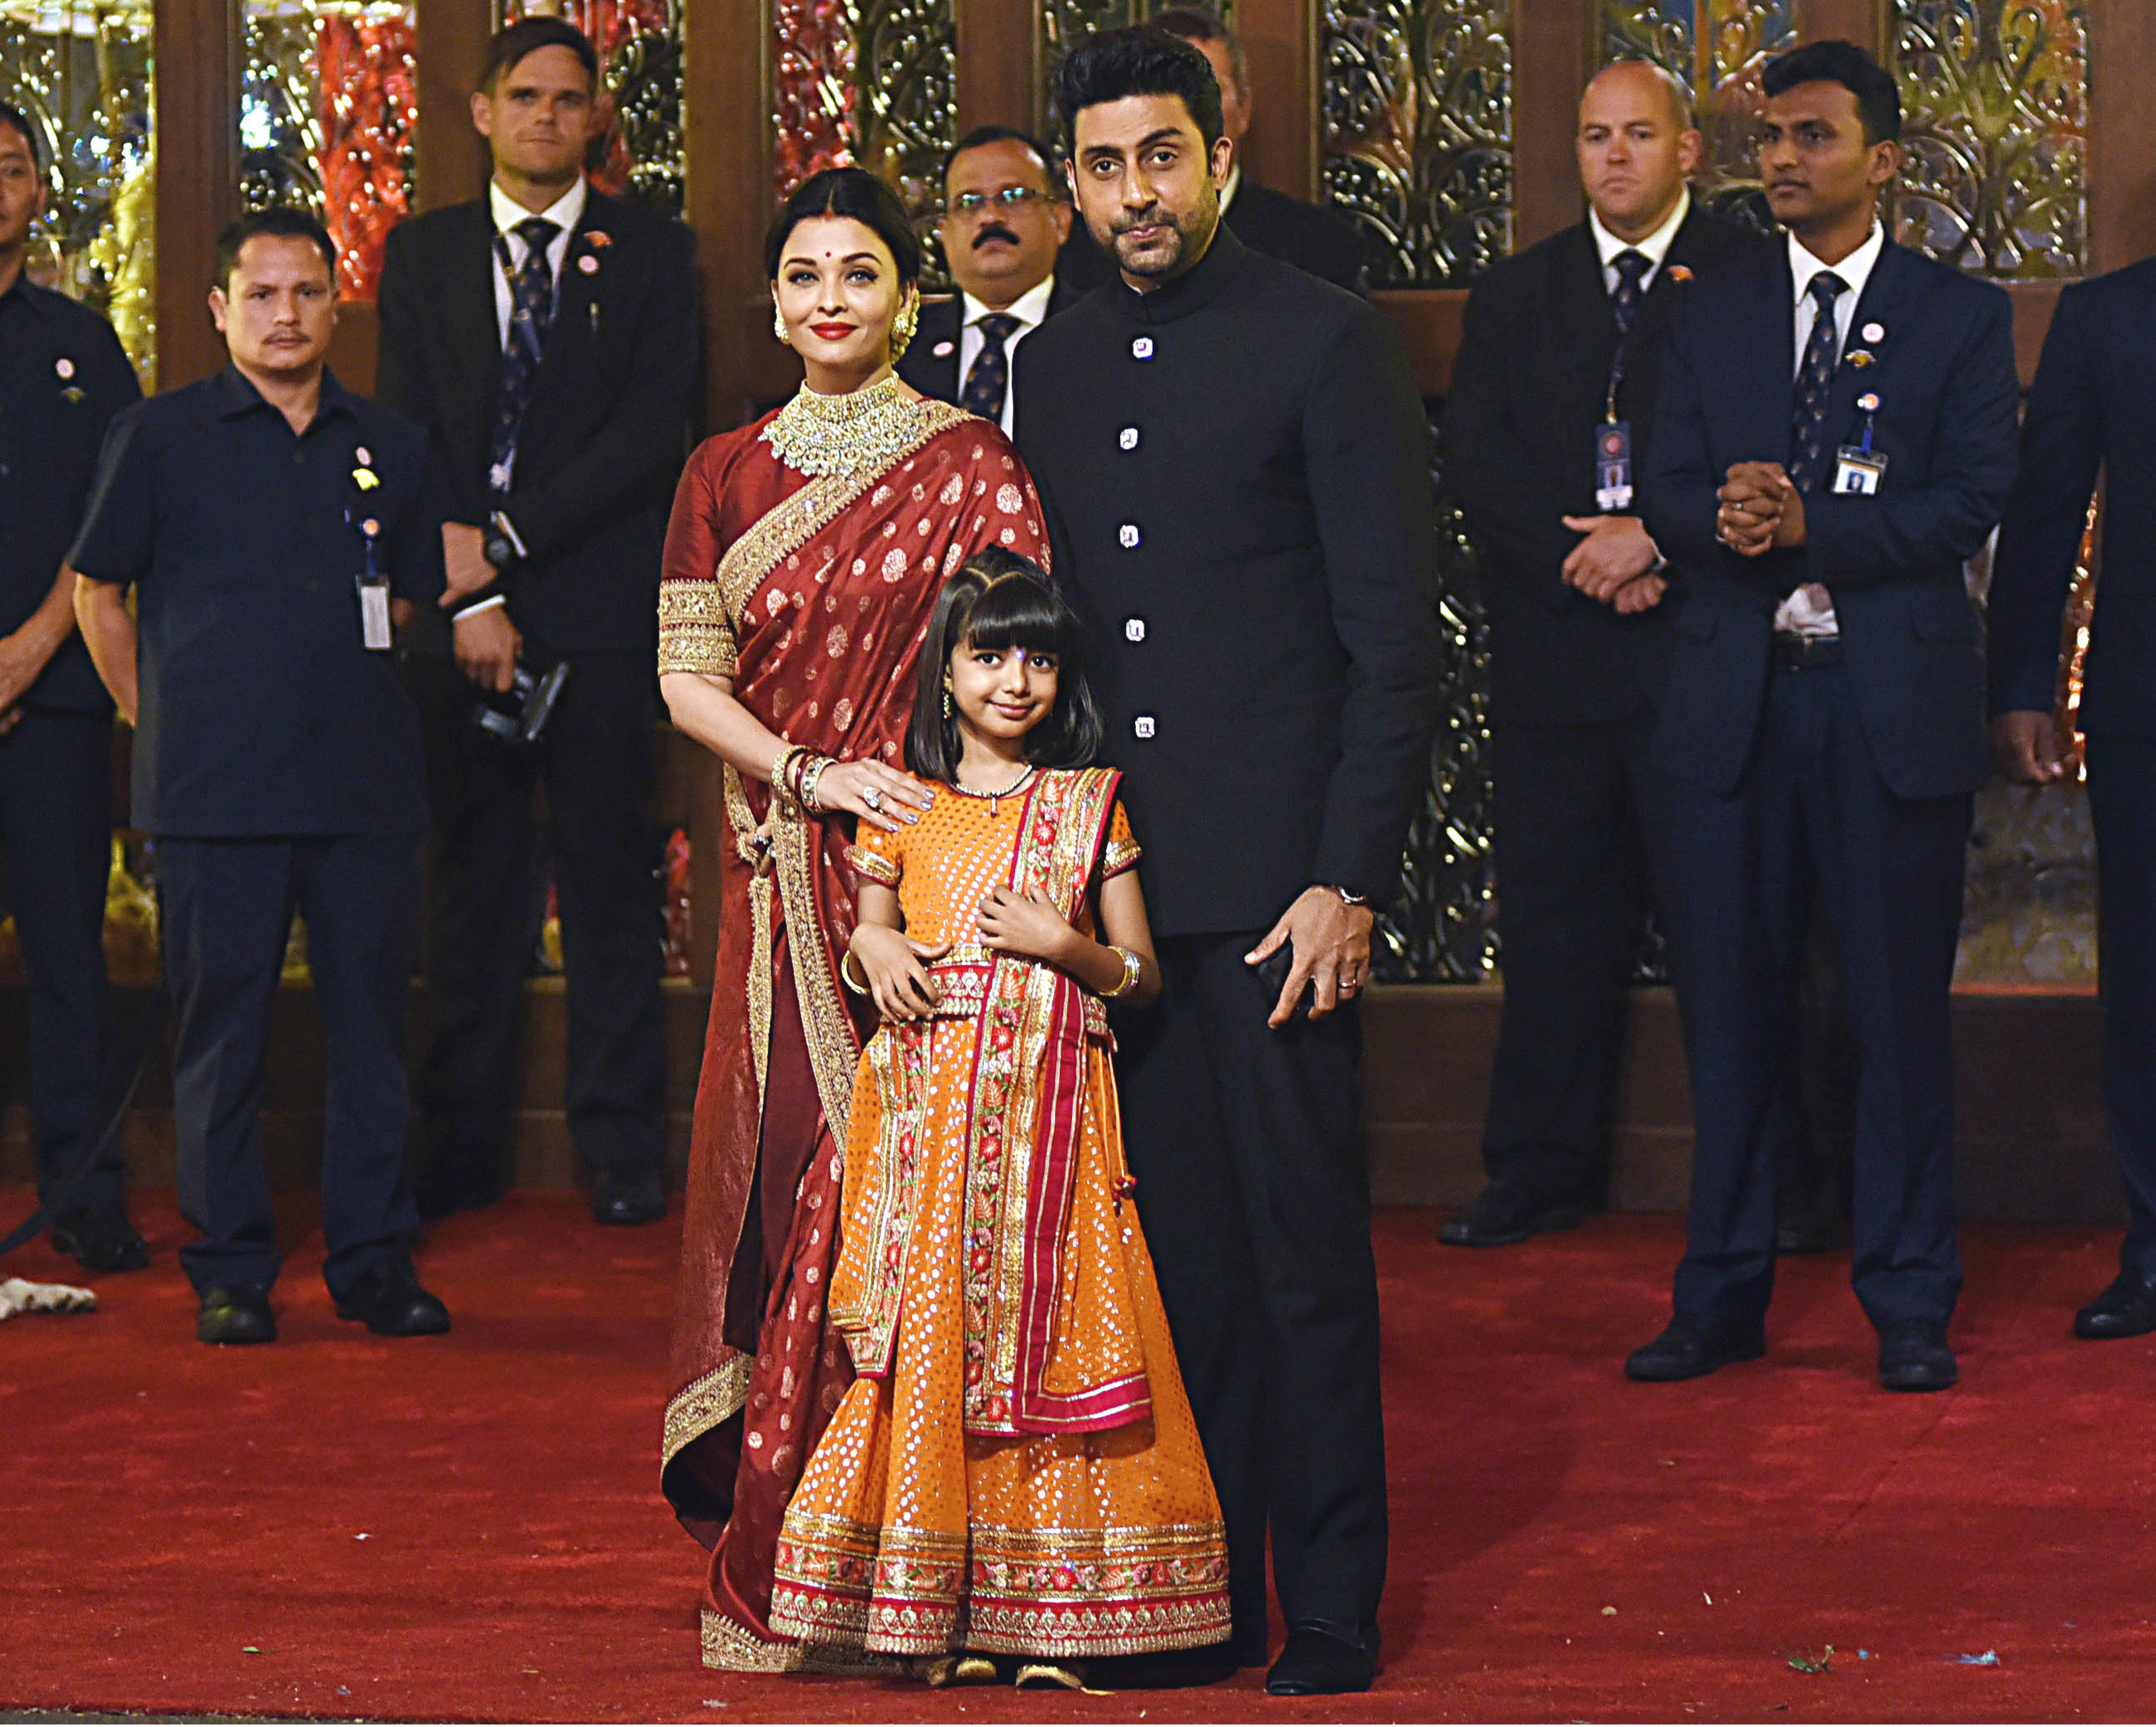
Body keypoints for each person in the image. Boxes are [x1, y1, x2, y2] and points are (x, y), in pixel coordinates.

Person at [1015, 27, 1440, 1697]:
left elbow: (1395, 644)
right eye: (1105, 165)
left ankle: (1328, 1598)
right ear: (1071, 184)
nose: (1137, 193)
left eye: (1162, 157)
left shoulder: (1324, 337)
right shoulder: (1047, 364)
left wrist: (1349, 876)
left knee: (1303, 1260)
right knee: (1172, 1262)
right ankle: (1202, 1592)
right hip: (1115, 902)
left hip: (1277, 899)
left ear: (1219, 154)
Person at [654, 166, 1056, 1672]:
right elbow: (687, 679)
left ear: (908, 300)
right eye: (806, 276)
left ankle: (932, 1545)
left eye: (861, 274)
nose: (831, 300)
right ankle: (805, 1522)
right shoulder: (723, 471)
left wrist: (923, 841)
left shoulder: (970, 462)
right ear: (774, 304)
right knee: (788, 1178)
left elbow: (1015, 671)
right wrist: (807, 772)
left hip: (933, 875)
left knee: (922, 1199)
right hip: (781, 870)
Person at [1627, 41, 2018, 1393]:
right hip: (1733, 706)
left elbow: (1970, 498)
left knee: (1898, 1020)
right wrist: (1724, 520)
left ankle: (1909, 1298)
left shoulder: (1958, 316)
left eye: (1813, 135)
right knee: (1730, 1017)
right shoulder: (1713, 304)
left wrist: (1816, 527)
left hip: (1886, 709)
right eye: (1770, 138)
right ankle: (1721, 1293)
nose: (1782, 159)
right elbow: (1663, 483)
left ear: (1883, 160)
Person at [767, 553, 1231, 1685]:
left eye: (1038, 658)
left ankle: (1054, 1619)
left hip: (1053, 1130)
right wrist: (871, 945)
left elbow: (1141, 974)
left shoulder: (1087, 801)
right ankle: (947, 1615)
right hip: (932, 1127)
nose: (1015, 680)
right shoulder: (903, 803)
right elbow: (871, 929)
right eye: (989, 655)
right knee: (936, 1341)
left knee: (1061, 1335)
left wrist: (1064, 945)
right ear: (947, 671)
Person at [70, 207, 450, 1345]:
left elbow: (413, 599)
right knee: (221, 1038)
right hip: (213, 793)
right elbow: (98, 594)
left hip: (363, 789)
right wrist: (158, 720)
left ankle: (373, 1261)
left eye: (307, 292)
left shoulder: (392, 443)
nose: (286, 315)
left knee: (372, 1038)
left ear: (336, 304)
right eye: (262, 294)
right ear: (218, 309)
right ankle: (230, 1267)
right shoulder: (158, 435)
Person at [374, 17, 699, 1227]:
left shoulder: (653, 250)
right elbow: (405, 428)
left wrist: (508, 542)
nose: (547, 118)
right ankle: (460, 1144)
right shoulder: (423, 253)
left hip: (599, 614)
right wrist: (472, 588)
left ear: (595, 114)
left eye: (568, 100)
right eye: (525, 97)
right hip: (457, 615)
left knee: (611, 881)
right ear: (482, 111)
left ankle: (619, 1145)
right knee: (470, 885)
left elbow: (652, 431)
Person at [1441, 61, 1766, 1248]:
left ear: (1687, 149)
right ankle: (1537, 1170)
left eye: (1638, 133)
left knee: (1734, 931)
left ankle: (1769, 1179)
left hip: (1700, 652)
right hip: (1557, 656)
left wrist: (1658, 541)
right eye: (1594, 135)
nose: (1614, 155)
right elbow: (1475, 456)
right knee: (1552, 928)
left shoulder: (1747, 276)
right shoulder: (1516, 291)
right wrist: (1581, 555)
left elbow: (1769, 437)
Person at [1988, 251, 2156, 1340]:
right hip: (2145, 708)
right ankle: (2154, 1248)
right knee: (2143, 987)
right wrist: (2020, 685)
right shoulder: (2105, 318)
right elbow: (2044, 508)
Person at [0, 99, 145, 1273]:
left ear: (39, 191)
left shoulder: (84, 345)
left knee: (67, 954)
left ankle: (84, 1194)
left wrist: (32, 646)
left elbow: (116, 516)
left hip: (53, 696)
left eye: (10, 167)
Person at [1149, 7, 1367, 293]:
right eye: (1165, 92)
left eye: (1207, 91)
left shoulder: (1320, 248)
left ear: (1243, 109)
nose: (1187, 112)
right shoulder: (1093, 248)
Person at [897, 127, 1080, 431]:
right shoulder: (902, 344)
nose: (990, 217)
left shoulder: (1101, 337)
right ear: (944, 233)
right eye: (969, 202)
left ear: (1061, 221)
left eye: (1013, 196)